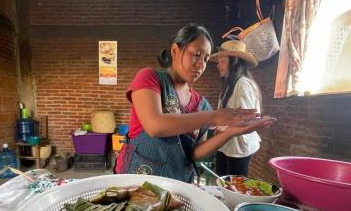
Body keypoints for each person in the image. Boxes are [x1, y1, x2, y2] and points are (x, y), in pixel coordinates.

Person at [115, 23, 275, 182]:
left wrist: (229, 133)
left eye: (205, 59)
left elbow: (194, 153)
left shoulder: (202, 105)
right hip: (135, 181)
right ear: (175, 51)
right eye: (196, 54)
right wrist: (214, 117)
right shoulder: (150, 78)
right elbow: (155, 126)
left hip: (177, 185)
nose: (201, 64)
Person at [209, 39, 263, 177]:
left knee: (235, 186)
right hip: (226, 143)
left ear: (234, 61)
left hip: (239, 146)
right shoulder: (228, 86)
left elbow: (248, 119)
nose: (218, 65)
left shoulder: (243, 84)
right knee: (222, 181)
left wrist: (223, 127)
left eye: (222, 61)